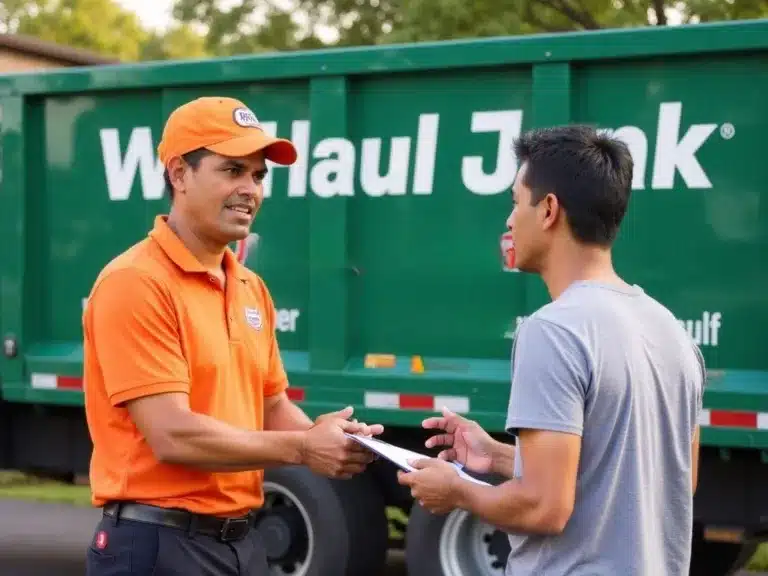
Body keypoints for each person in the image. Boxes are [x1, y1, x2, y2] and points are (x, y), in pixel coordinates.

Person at [82, 96, 383, 575]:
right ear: (179, 174)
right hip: (157, 546)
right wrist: (304, 449)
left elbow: (271, 405)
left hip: (240, 541)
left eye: (259, 176)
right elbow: (172, 435)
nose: (250, 190)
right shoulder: (135, 282)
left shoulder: (248, 285)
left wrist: (329, 438)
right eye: (232, 170)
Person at [398, 124, 704, 575]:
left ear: (548, 211)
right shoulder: (672, 332)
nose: (508, 219)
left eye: (515, 202)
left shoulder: (555, 330)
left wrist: (457, 490)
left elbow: (544, 508)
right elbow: (670, 479)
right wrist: (502, 457)